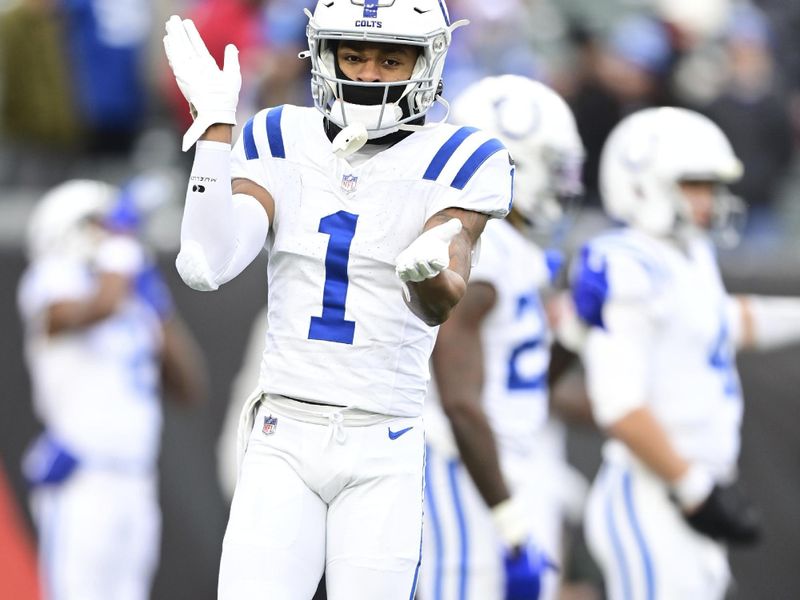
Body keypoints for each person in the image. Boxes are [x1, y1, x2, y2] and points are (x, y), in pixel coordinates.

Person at [162, 0, 514, 598]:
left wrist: (425, 277)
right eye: (353, 54)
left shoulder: (464, 157)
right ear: (325, 54)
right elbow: (207, 263)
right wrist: (217, 134)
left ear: (425, 62)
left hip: (385, 443)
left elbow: (442, 300)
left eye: (388, 58)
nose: (368, 74)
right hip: (284, 433)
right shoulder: (279, 133)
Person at [570, 106, 800, 599]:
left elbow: (719, 321)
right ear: (642, 182)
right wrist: (694, 489)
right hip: (658, 495)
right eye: (696, 184)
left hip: (688, 491)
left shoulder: (688, 254)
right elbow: (619, 406)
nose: (709, 200)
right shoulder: (627, 261)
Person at [417, 75, 587, 600]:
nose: (563, 185)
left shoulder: (514, 252)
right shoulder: (478, 252)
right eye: (553, 167)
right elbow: (460, 403)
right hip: (461, 469)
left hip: (505, 465)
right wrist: (508, 518)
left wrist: (578, 326)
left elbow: (526, 382)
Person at [17, 179, 207, 600]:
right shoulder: (52, 281)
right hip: (84, 481)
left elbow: (189, 387)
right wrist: (121, 253)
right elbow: (97, 307)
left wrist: (159, 311)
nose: (113, 236)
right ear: (70, 229)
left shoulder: (128, 295)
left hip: (135, 480)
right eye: (101, 225)